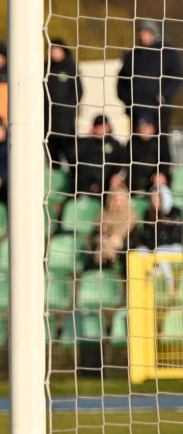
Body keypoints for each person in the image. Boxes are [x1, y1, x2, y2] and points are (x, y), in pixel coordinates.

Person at [118, 20, 183, 132]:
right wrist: (128, 99)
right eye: (141, 33)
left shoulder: (167, 53)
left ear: (154, 34)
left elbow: (177, 76)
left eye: (147, 33)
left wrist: (164, 94)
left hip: (160, 109)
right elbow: (121, 80)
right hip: (136, 109)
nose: (143, 36)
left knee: (160, 144)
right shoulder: (131, 56)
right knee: (137, 145)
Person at [45, 38, 82, 168]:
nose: (54, 53)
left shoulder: (71, 68)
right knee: (52, 158)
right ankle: (55, 185)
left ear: (63, 51)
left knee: (71, 156)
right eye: (51, 50)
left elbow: (78, 92)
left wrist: (66, 109)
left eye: (56, 50)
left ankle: (73, 184)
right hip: (49, 122)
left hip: (66, 124)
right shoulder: (46, 68)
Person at [73, 114, 127, 198]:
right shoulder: (86, 142)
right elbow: (72, 155)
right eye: (98, 127)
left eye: (103, 127)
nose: (100, 131)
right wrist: (88, 137)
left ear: (108, 127)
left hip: (105, 187)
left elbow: (121, 161)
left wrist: (116, 175)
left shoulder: (114, 144)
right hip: (84, 187)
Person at [88, 186, 137, 271]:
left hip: (121, 245)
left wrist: (113, 238)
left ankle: (103, 269)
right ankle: (107, 269)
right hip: (102, 241)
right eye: (116, 200)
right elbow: (95, 233)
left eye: (121, 200)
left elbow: (133, 238)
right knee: (104, 244)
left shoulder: (131, 216)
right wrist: (100, 237)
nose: (118, 203)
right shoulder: (103, 215)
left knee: (107, 246)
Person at [128, 115, 173, 194]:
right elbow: (124, 160)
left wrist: (160, 173)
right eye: (141, 126)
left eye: (147, 126)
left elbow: (166, 161)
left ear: (153, 128)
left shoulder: (160, 143)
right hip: (134, 186)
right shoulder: (132, 143)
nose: (144, 129)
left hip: (153, 184)